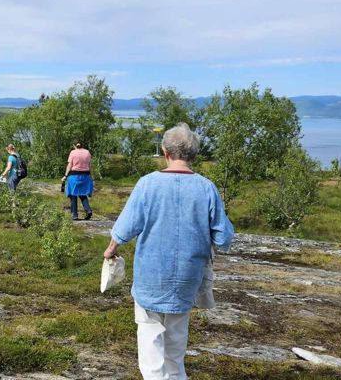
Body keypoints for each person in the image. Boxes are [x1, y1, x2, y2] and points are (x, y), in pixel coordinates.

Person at [103, 123, 234, 380]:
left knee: (150, 341)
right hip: (188, 275)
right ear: (193, 155)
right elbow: (223, 236)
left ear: (165, 152)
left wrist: (110, 250)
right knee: (176, 342)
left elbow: (125, 227)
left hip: (151, 275)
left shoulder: (147, 184)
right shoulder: (206, 188)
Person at [62, 139, 94, 220]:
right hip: (85, 176)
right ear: (82, 145)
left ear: (74, 145)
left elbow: (70, 165)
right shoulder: (87, 152)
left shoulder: (73, 152)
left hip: (74, 176)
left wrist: (65, 175)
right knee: (82, 194)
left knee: (73, 195)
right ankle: (88, 210)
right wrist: (92, 176)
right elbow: (90, 166)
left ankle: (74, 215)